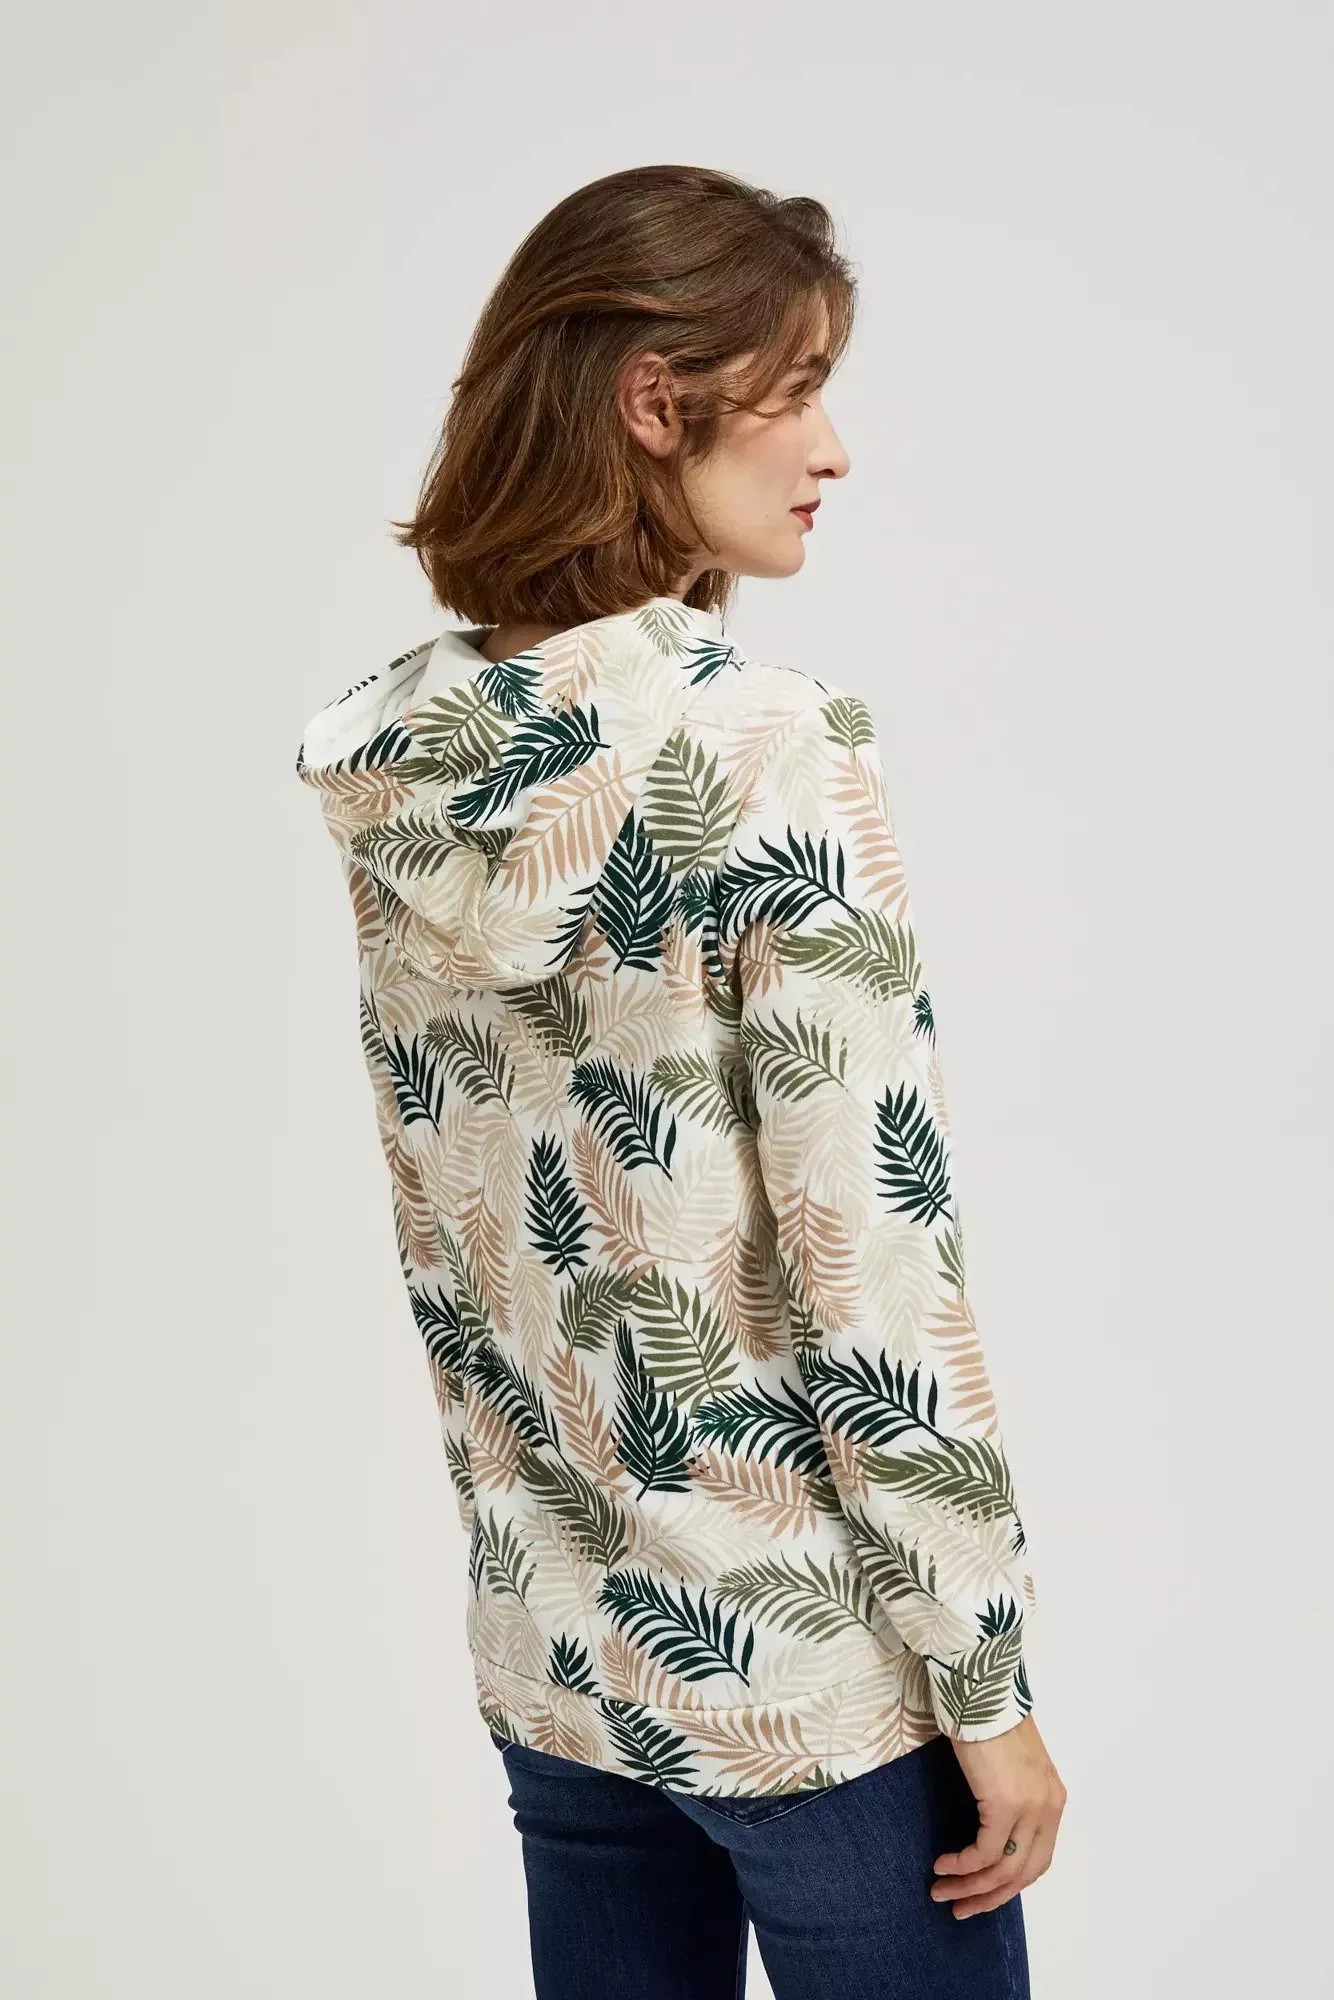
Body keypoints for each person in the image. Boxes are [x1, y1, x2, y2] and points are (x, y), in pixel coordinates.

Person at [295, 162, 1066, 1999]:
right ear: (657, 402)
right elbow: (867, 1262)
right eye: (794, 392)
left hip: (562, 1653)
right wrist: (986, 1689)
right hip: (812, 1685)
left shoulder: (416, 764)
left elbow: (460, 1233)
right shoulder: (764, 749)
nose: (832, 451)